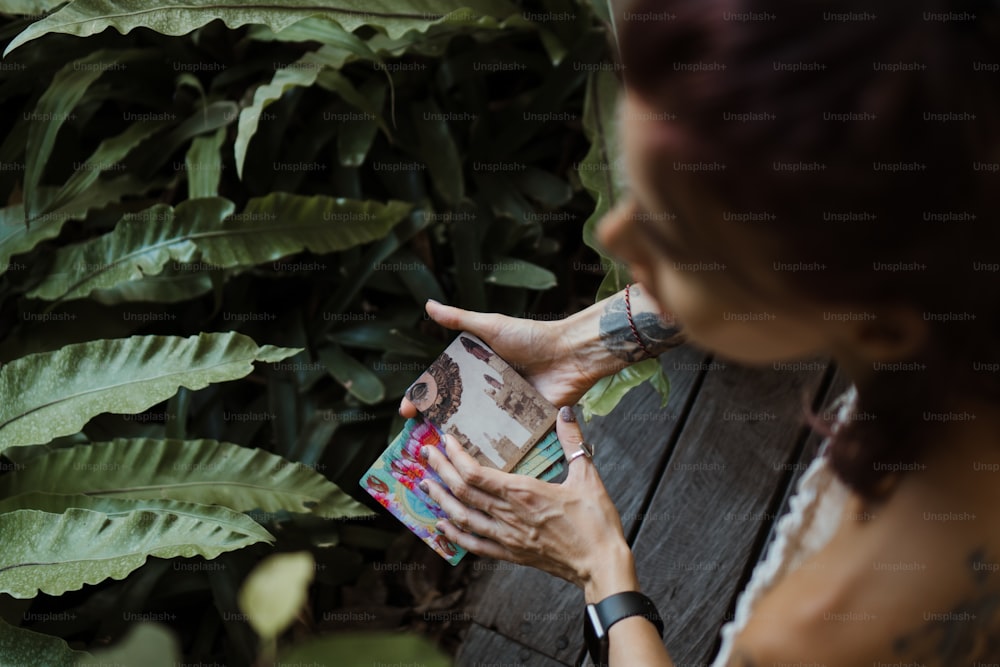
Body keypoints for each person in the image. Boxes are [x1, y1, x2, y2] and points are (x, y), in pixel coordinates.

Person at [402, 1, 1000, 664]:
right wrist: (584, 340)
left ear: (883, 325)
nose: (610, 233)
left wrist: (599, 567)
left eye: (670, 233)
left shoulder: (820, 634)